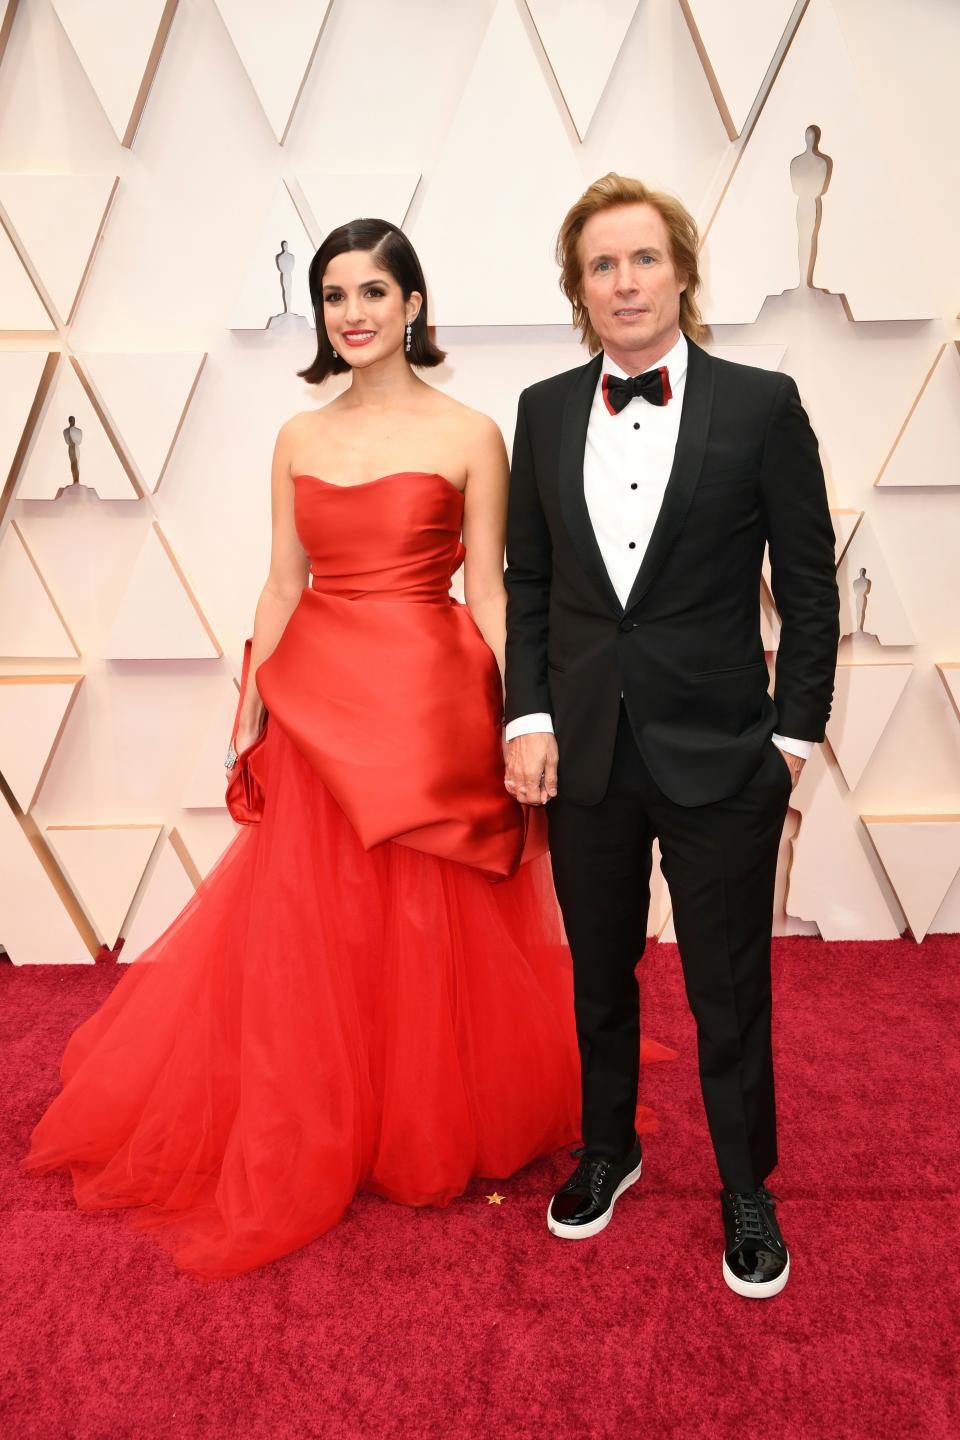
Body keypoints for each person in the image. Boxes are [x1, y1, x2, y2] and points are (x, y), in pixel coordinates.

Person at [24, 218, 671, 1279]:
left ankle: (416, 1121)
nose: (355, 313)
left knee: (428, 922)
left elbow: (494, 591)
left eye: (375, 291)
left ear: (414, 305)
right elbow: (284, 584)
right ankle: (326, 1115)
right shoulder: (297, 437)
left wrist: (525, 714)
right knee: (318, 932)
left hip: (428, 700)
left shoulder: (471, 434)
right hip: (320, 702)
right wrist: (253, 708)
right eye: (336, 296)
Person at [503, 175, 839, 1298]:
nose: (625, 282)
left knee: (728, 986)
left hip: (723, 755)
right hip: (588, 751)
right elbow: (533, 580)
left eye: (643, 259)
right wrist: (532, 712)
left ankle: (748, 1185)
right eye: (602, 265)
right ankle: (612, 1148)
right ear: (579, 290)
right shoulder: (545, 410)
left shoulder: (761, 403)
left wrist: (790, 745)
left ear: (683, 272)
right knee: (600, 973)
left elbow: (808, 585)